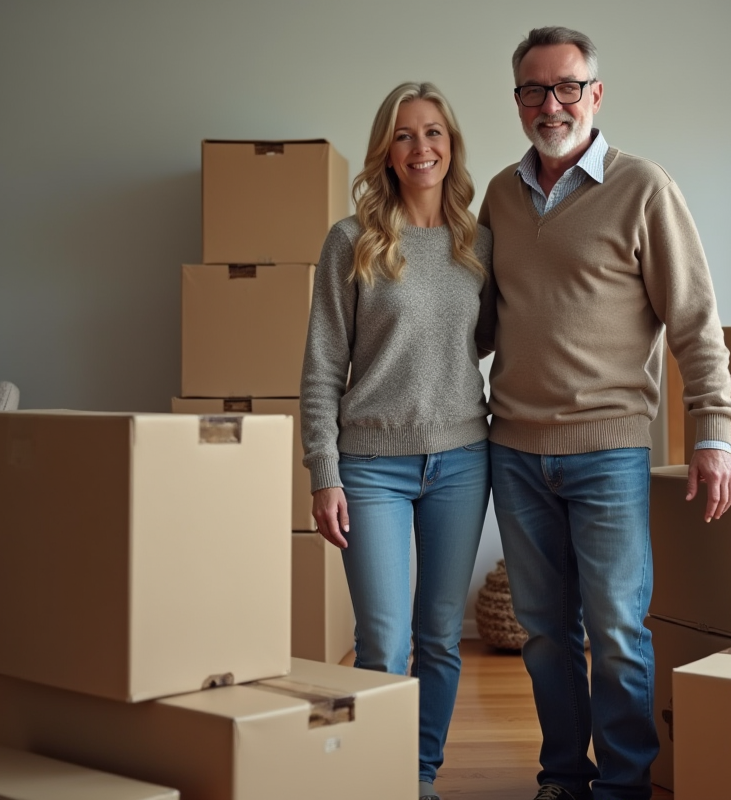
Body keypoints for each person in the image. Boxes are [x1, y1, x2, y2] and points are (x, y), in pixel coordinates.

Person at [478, 27, 731, 800]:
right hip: (514, 449)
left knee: (620, 634)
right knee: (545, 636)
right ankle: (564, 776)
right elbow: (482, 323)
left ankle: (624, 787)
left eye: (566, 87)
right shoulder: (498, 193)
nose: (550, 103)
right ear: (518, 99)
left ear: (595, 94)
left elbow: (695, 319)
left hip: (610, 451)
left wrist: (714, 433)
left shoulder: (643, 187)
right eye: (534, 89)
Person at [300, 81, 494, 800]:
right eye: (406, 135)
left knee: (441, 637)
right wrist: (323, 470)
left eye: (434, 132)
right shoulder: (350, 241)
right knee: (384, 642)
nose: (422, 148)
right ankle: (375, 780)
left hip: (462, 460)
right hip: (371, 466)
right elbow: (322, 365)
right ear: (387, 149)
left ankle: (416, 779)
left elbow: (496, 337)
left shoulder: (479, 242)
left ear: (452, 144)